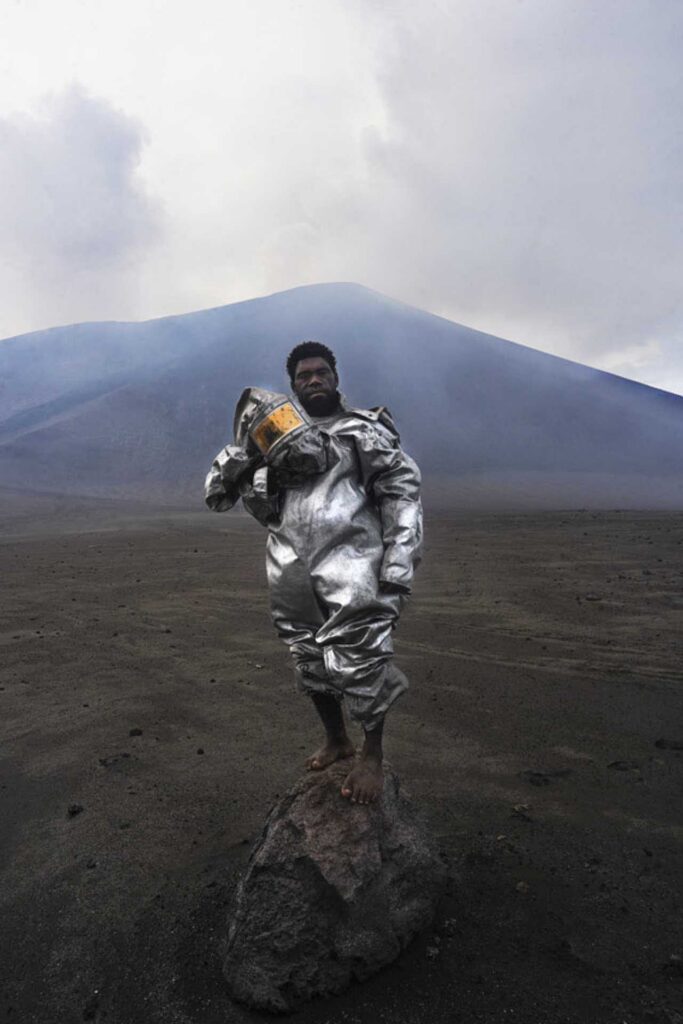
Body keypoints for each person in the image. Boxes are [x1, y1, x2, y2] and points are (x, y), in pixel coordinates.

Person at [204, 341, 422, 804]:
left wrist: (398, 564)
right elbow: (221, 491)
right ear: (293, 386)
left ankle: (372, 755)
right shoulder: (269, 436)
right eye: (304, 376)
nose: (314, 380)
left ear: (336, 377)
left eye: (321, 372)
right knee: (307, 654)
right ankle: (336, 738)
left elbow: (401, 495)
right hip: (289, 563)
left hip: (353, 562)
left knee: (361, 655)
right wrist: (245, 458)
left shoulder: (362, 431)